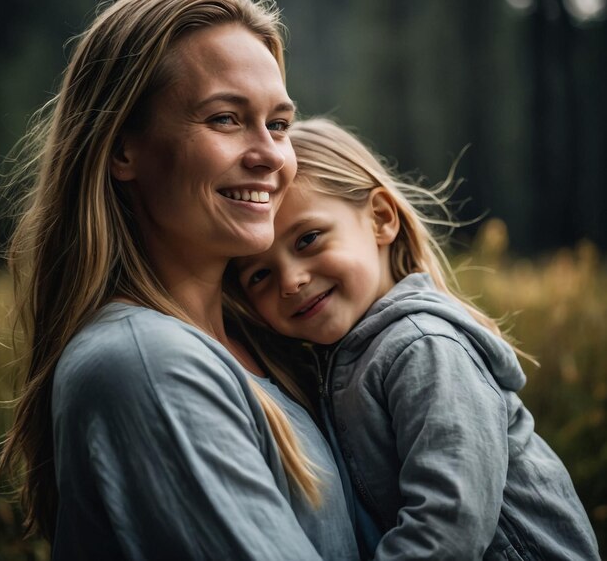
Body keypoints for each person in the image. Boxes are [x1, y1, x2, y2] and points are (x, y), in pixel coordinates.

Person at [0, 0, 359, 560]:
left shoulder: (272, 335)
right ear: (120, 149)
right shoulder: (145, 364)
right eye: (225, 119)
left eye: (280, 124)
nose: (270, 155)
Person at [229, 117, 601, 560]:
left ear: (380, 219)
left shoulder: (423, 347)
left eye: (308, 239)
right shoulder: (340, 362)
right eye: (260, 275)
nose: (290, 281)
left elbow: (450, 522)